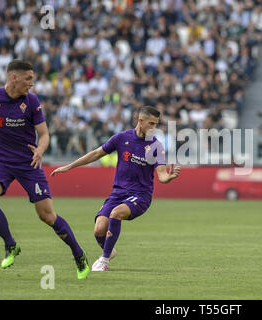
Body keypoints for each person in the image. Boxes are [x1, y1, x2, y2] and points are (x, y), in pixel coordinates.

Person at [0, 60, 90, 280]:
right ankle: (10, 245)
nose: (32, 84)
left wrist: (40, 150)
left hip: (30, 164)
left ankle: (78, 254)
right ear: (13, 78)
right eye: (28, 79)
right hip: (1, 163)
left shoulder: (32, 101)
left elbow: (44, 134)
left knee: (46, 216)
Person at [50, 106, 181, 271]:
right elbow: (96, 153)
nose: (154, 128)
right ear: (140, 121)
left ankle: (104, 261)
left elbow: (162, 175)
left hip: (141, 195)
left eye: (156, 124)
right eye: (151, 124)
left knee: (116, 213)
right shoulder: (122, 138)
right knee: (99, 229)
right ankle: (109, 251)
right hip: (118, 193)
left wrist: (168, 178)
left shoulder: (156, 146)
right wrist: (68, 167)